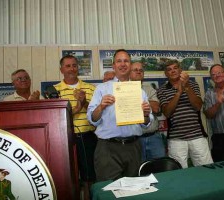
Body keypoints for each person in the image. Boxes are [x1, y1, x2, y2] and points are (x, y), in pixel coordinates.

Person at [87, 49, 153, 181]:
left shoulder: (139, 91)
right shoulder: (102, 89)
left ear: (130, 65)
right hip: (108, 148)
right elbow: (92, 119)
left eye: (126, 61)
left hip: (133, 147)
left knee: (134, 190)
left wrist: (145, 115)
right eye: (119, 61)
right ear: (113, 66)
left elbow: (146, 123)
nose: (123, 64)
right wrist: (101, 106)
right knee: (109, 190)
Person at [54, 55, 97, 196]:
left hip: (87, 138)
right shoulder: (54, 91)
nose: (72, 69)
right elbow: (54, 117)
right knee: (68, 178)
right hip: (63, 140)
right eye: (68, 66)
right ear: (61, 69)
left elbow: (97, 113)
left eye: (74, 65)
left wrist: (84, 102)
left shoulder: (90, 88)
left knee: (89, 177)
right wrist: (77, 109)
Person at [157, 59, 213, 168]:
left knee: (207, 168)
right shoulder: (162, 90)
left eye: (175, 68)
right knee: (178, 172)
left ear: (181, 70)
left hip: (197, 135)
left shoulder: (193, 85)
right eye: (169, 69)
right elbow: (167, 112)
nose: (172, 71)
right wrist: (179, 92)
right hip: (176, 138)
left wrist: (186, 86)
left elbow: (198, 106)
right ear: (166, 74)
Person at [130, 62, 166, 161]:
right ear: (129, 73)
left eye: (141, 70)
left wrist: (133, 101)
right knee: (138, 171)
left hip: (154, 137)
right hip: (134, 140)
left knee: (160, 168)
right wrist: (146, 101)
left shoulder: (149, 88)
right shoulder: (124, 90)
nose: (138, 72)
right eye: (135, 70)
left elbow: (155, 108)